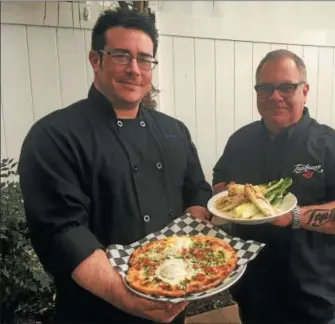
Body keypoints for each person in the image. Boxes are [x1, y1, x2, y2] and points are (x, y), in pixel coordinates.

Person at [18, 8, 212, 324]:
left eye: (145, 59)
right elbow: (62, 230)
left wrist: (193, 225)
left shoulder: (174, 130)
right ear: (96, 60)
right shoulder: (54, 136)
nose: (134, 69)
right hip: (97, 311)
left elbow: (197, 190)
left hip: (172, 304)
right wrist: (127, 297)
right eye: (121, 56)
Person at [212, 49, 335, 324]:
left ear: (305, 90)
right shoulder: (240, 141)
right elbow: (220, 182)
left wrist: (292, 216)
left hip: (312, 303)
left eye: (286, 87)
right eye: (265, 87)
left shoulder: (332, 147)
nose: (275, 96)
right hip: (253, 296)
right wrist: (229, 194)